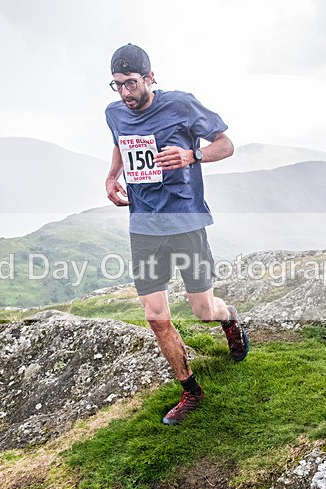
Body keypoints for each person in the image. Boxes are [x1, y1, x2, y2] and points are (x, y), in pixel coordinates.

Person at [103, 43, 249, 425]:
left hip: (186, 222)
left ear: (150, 77)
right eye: (117, 85)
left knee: (203, 310)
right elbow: (120, 141)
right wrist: (111, 175)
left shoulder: (181, 105)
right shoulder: (114, 112)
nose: (125, 93)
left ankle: (228, 317)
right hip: (143, 227)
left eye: (131, 83)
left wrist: (192, 156)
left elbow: (226, 144)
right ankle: (191, 391)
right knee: (155, 316)